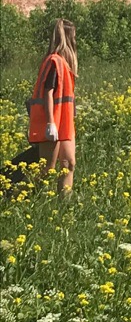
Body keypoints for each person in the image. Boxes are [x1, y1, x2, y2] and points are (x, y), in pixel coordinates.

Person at [28, 19, 78, 194]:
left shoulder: (65, 63)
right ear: (67, 37)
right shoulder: (54, 61)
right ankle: (33, 200)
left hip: (65, 124)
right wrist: (50, 123)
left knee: (68, 163)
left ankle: (65, 205)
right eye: (74, 36)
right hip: (54, 123)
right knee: (47, 169)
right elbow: (48, 92)